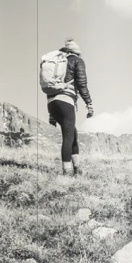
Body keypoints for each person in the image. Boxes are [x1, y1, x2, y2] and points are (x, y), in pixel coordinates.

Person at [44, 38, 93, 175]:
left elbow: (52, 86)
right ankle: (67, 172)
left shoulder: (57, 62)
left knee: (73, 133)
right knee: (68, 136)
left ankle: (77, 168)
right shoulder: (77, 61)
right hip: (65, 101)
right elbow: (82, 84)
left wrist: (51, 115)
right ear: (77, 52)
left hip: (52, 103)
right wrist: (89, 103)